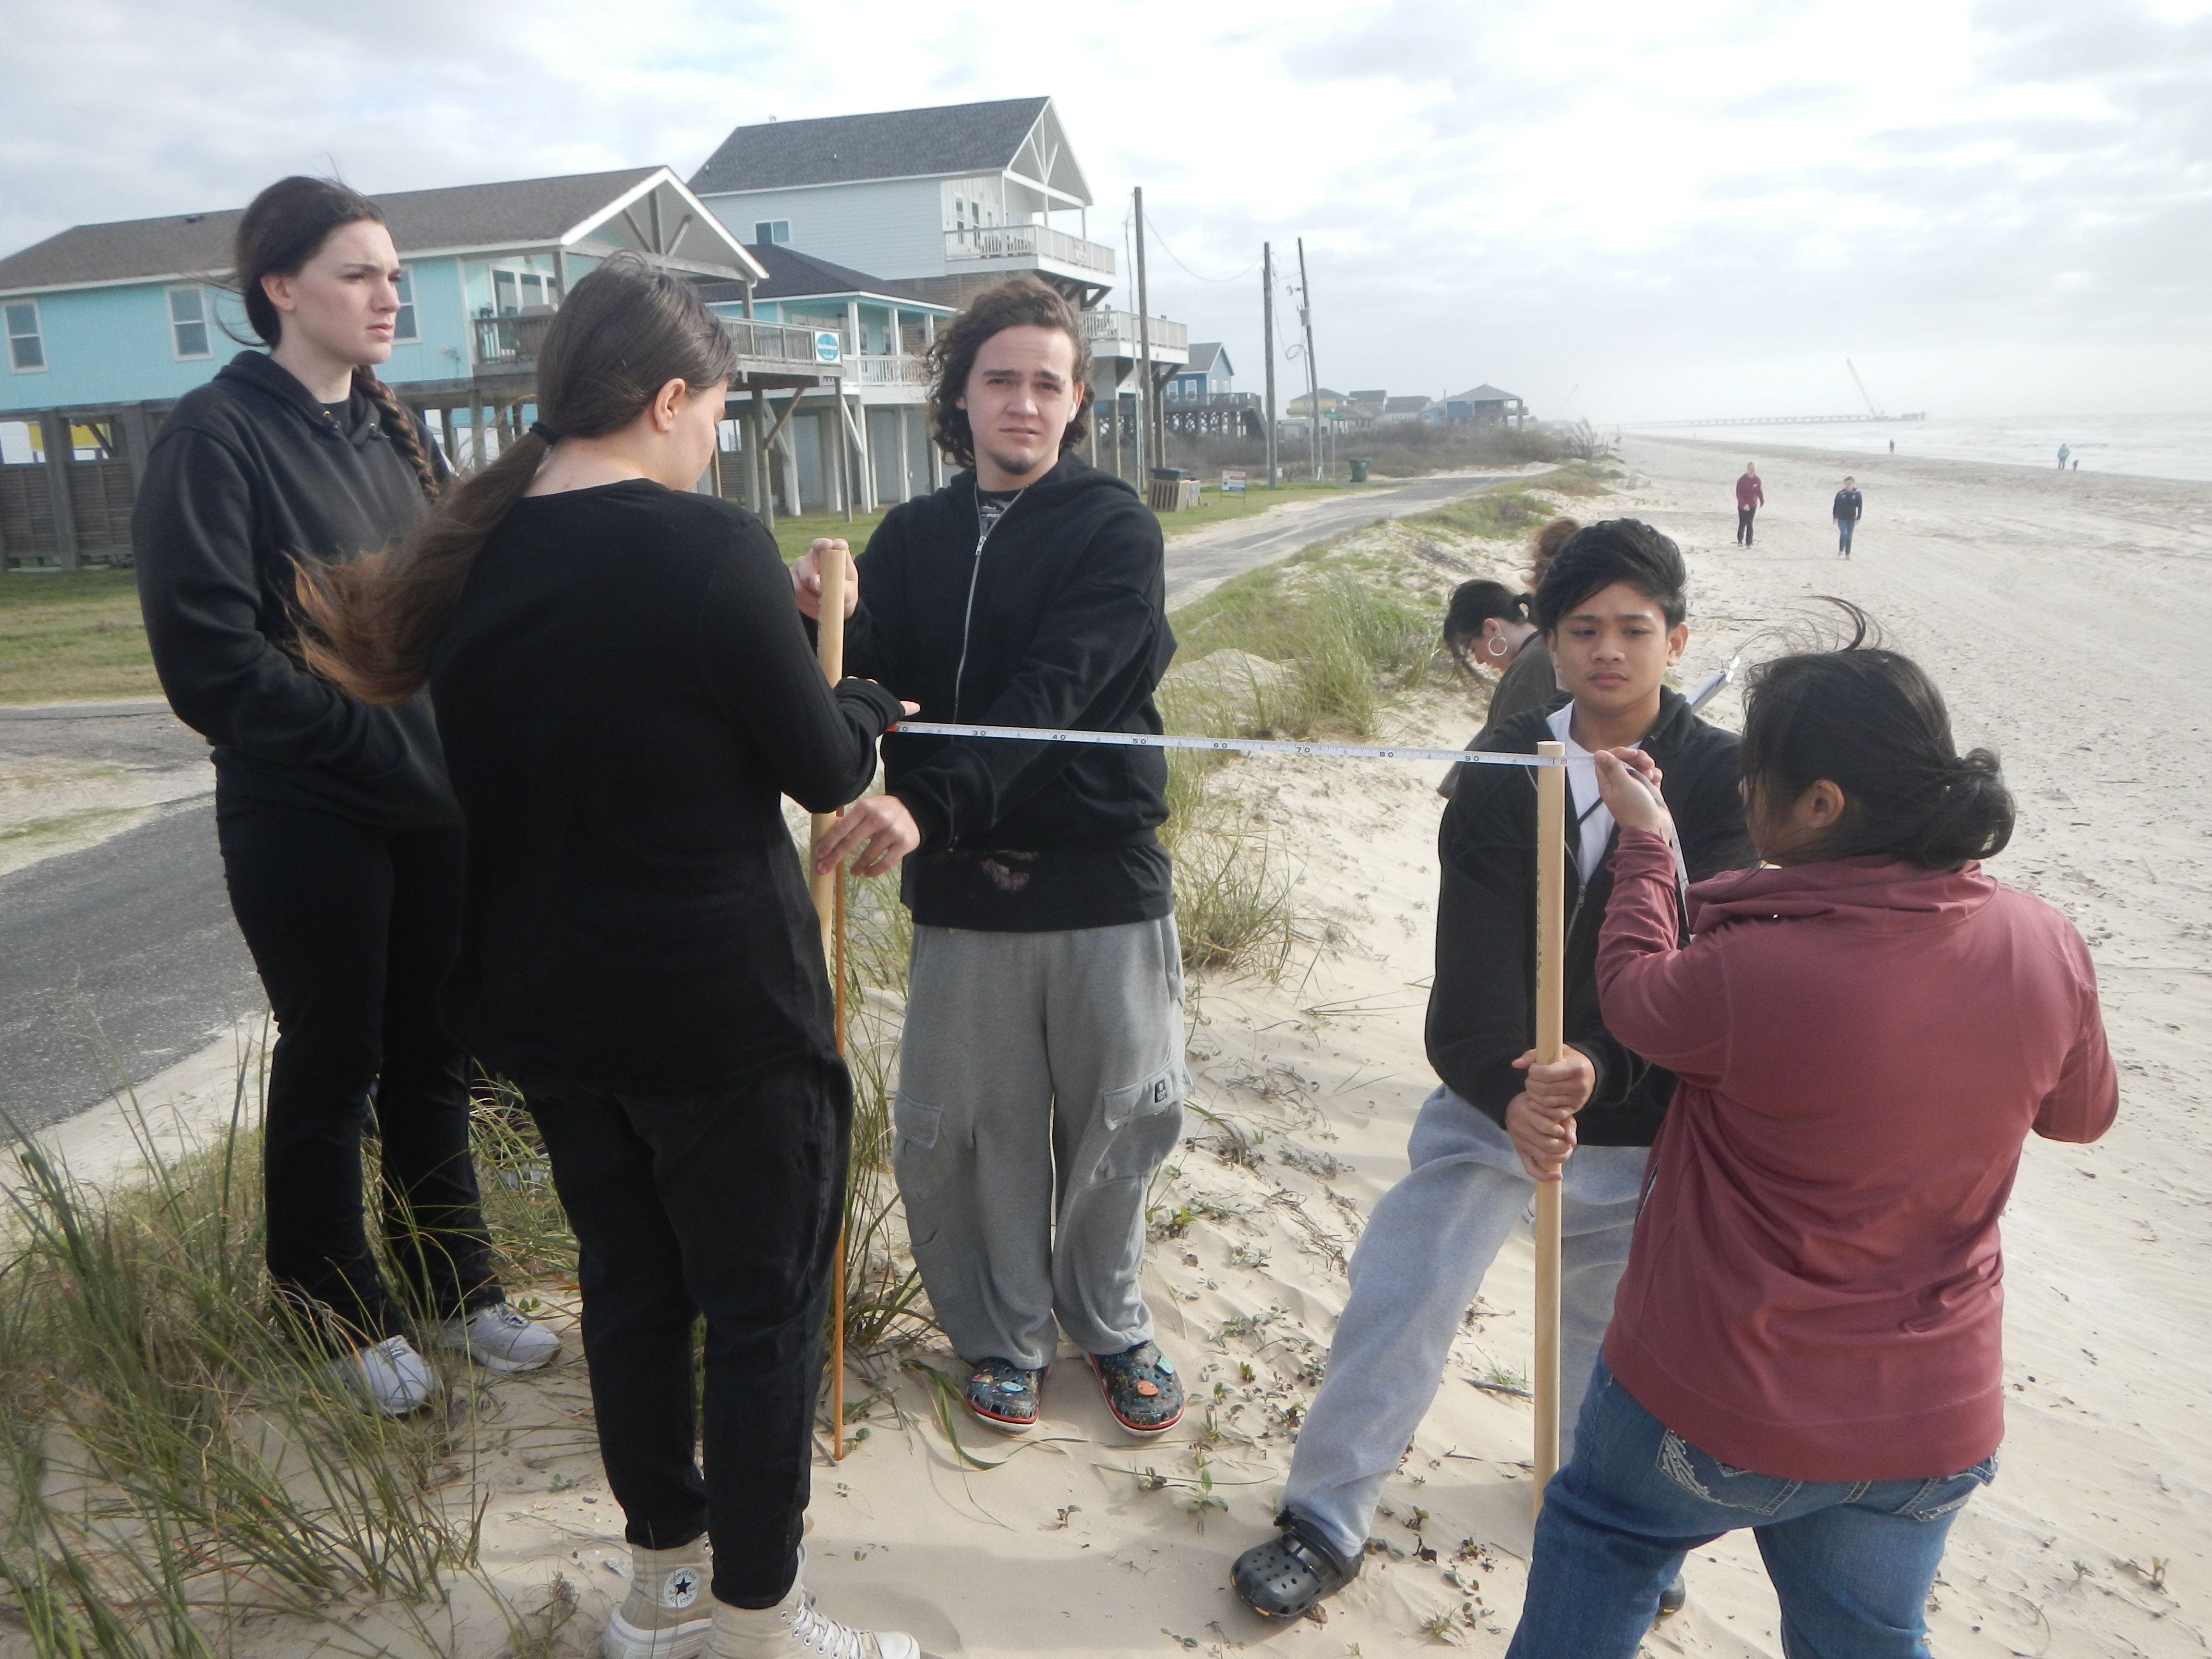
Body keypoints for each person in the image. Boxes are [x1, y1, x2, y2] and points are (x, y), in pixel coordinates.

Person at [296, 255, 918, 1659]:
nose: (715, 442)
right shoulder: (706, 546)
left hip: (551, 1014)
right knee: (757, 1314)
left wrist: (790, 631)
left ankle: (666, 1590)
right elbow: (824, 766)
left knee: (632, 1295)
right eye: (718, 413)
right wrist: (867, 692)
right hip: (721, 1018)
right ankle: (759, 1621)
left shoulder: (474, 551)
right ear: (668, 398)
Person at [1505, 613, 2116, 1658]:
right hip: (1928, 1418)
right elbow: (2080, 1114)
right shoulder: (2042, 936)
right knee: (1865, 1638)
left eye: (1758, 778)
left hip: (1722, 1393)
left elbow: (1636, 994)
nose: (1743, 792)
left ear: (1822, 804)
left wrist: (1647, 844)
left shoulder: (1755, 968)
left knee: (1603, 1536)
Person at [1229, 520, 1753, 1622]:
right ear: (1549, 641)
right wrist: (1512, 1090)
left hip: (1642, 1117)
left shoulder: (1721, 775)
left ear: (1676, 639)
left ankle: (1599, 1517)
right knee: (1405, 1287)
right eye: (1583, 629)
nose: (1608, 651)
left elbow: (1711, 975)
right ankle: (1324, 1518)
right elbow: (1466, 964)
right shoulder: (1505, 759)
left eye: (1634, 629)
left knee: (1615, 1340)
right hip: (1495, 1096)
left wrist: (1596, 1071)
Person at [132, 175, 555, 1417]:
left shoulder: (389, 433)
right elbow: (211, 663)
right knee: (336, 1059)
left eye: (393, 274)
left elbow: (462, 605)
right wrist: (374, 747)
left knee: (434, 1051)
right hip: (305, 810)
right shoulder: (215, 437)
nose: (388, 297)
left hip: (432, 806)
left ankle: (453, 1286)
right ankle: (331, 1308)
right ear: (281, 287)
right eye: (359, 274)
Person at [796, 276, 1186, 1440]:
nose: (1023, 402)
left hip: (1101, 879)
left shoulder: (1116, 528)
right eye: (1000, 379)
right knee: (972, 1130)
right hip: (966, 890)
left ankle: (1109, 1321)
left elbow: (1062, 693)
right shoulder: (912, 536)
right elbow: (870, 681)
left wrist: (928, 801)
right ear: (959, 397)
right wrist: (820, 614)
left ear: (1077, 402)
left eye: (1047, 384)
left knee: (1120, 1117)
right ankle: (1004, 1336)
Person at [1437, 517, 1577, 795]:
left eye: (1473, 647)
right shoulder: (1539, 654)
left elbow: (1512, 763)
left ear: (1492, 628)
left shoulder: (1533, 666)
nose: (1479, 660)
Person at [1832, 475, 1863, 557]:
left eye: (1850, 483)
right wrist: (1835, 517)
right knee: (1844, 534)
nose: (1848, 485)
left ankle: (1848, 554)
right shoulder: (1841, 494)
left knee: (1849, 536)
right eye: (1847, 483)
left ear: (1853, 484)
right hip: (1842, 518)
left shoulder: (1857, 494)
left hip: (1852, 518)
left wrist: (1859, 517)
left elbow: (1860, 506)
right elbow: (1836, 506)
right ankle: (1841, 549)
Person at [1734, 462, 1763, 545]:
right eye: (1750, 469)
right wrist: (1744, 504)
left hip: (1753, 505)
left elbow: (1759, 491)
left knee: (1750, 523)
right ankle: (1740, 541)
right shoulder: (1742, 480)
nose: (1751, 471)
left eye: (1753, 470)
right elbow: (1739, 494)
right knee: (1742, 524)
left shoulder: (1757, 480)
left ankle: (1749, 543)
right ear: (1747, 469)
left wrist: (1762, 501)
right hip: (1742, 506)